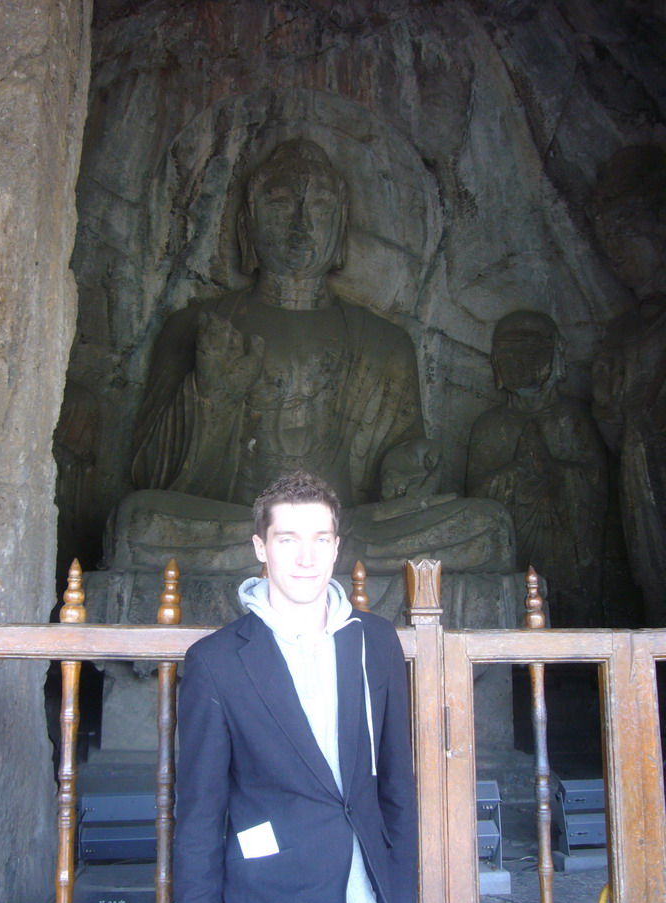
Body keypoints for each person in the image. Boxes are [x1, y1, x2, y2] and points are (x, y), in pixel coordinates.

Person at [105, 139, 514, 577]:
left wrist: (405, 471)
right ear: (247, 225)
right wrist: (212, 398)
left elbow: (397, 473)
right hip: (242, 526)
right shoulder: (200, 326)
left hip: (348, 526)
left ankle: (312, 552)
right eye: (279, 203)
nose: (300, 223)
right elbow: (153, 475)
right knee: (137, 520)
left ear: (341, 226)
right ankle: (301, 553)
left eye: (318, 206)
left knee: (486, 526)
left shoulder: (384, 342)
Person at [173, 470, 419, 903]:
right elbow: (199, 819)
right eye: (288, 539)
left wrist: (402, 892)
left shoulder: (374, 641)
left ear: (337, 546)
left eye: (320, 539)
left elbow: (397, 779)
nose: (306, 557)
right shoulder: (217, 661)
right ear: (260, 546)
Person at [466, 310, 608, 626]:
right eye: (509, 349)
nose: (520, 358)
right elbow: (476, 502)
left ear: (556, 353)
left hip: (566, 547)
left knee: (573, 617)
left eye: (532, 347)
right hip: (515, 546)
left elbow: (596, 486)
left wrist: (553, 469)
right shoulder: (490, 426)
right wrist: (516, 472)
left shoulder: (572, 417)